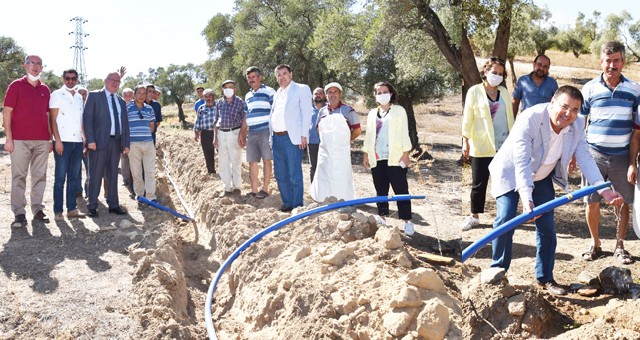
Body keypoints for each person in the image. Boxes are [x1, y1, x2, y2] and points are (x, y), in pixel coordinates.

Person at [489, 85, 623, 295]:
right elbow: (522, 161)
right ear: (552, 103)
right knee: (505, 219)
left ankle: (545, 278)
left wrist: (604, 190)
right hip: (511, 172)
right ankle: (497, 273)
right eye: (565, 107)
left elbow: (585, 158)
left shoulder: (578, 124)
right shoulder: (531, 118)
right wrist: (527, 199)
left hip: (542, 176)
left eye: (575, 110)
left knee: (547, 227)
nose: (569, 114)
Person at [580, 41, 640, 264]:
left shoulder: (635, 89)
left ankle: (620, 246)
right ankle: (595, 244)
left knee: (623, 201)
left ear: (623, 62)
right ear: (601, 62)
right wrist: (574, 155)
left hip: (622, 156)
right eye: (608, 60)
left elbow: (637, 132)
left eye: (616, 60)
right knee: (592, 200)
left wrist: (632, 162)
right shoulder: (589, 88)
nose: (612, 65)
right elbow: (579, 124)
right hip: (593, 155)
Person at [461, 57, 514, 231]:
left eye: (500, 74)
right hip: (482, 145)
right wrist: (465, 141)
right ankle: (474, 217)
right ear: (485, 72)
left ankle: (503, 216)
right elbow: (468, 118)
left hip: (503, 145)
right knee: (478, 183)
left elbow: (510, 119)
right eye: (494, 72)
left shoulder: (504, 92)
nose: (497, 76)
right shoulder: (474, 92)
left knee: (503, 182)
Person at [3, 55, 52, 226]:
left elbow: (48, 116)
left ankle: (37, 209)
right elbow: (7, 112)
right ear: (25, 65)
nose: (36, 66)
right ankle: (19, 212)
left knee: (40, 176)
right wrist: (9, 138)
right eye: (32, 63)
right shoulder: (16, 86)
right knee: (19, 176)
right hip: (19, 140)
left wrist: (50, 138)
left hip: (42, 140)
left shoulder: (45, 89)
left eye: (39, 63)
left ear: (42, 67)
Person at [362, 81, 414, 235]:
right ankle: (382, 217)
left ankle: (407, 221)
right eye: (379, 92)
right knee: (381, 189)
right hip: (377, 157)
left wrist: (406, 154)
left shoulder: (399, 110)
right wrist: (366, 153)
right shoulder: (372, 113)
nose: (382, 94)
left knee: (401, 190)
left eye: (385, 91)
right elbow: (369, 135)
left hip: (395, 157)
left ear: (391, 93)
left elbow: (405, 132)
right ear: (375, 95)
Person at [83, 72, 130, 217]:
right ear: (105, 81)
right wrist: (90, 140)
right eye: (112, 80)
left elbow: (125, 124)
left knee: (113, 175)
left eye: (118, 81)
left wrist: (126, 143)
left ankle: (113, 205)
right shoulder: (94, 96)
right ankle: (92, 206)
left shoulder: (121, 101)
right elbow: (87, 118)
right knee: (95, 174)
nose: (115, 83)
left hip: (115, 142)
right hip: (97, 143)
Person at [269, 64, 313, 212]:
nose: (282, 77)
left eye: (284, 73)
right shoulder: (277, 93)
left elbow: (307, 113)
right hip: (276, 138)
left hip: (292, 138)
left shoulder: (301, 89)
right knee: (280, 174)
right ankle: (287, 203)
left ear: (291, 74)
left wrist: (304, 135)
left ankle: (297, 205)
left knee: (294, 174)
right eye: (279, 75)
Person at [310, 82, 361, 201]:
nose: (332, 95)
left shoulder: (348, 110)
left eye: (335, 92)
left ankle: (342, 200)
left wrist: (344, 141)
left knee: (340, 175)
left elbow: (357, 130)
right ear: (326, 95)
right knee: (324, 174)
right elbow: (318, 129)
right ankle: (322, 199)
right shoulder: (322, 112)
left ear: (340, 94)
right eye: (329, 92)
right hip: (325, 150)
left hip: (341, 151)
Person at [49, 68, 87, 221]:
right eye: (67, 78)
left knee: (73, 177)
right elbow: (52, 120)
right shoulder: (56, 95)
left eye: (73, 78)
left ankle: (71, 209)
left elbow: (81, 120)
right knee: (60, 178)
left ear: (77, 79)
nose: (70, 81)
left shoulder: (79, 97)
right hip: (62, 142)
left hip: (77, 142)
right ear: (63, 79)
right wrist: (57, 140)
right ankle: (58, 211)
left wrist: (84, 139)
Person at [244, 66, 276, 199]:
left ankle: (265, 189)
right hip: (251, 132)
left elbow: (275, 111)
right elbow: (246, 115)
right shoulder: (247, 95)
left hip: (265, 131)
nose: (251, 80)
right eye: (249, 78)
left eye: (253, 77)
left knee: (267, 160)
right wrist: (242, 133)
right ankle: (254, 190)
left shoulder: (269, 91)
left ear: (259, 77)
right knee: (252, 162)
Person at [214, 80, 248, 197]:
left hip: (234, 133)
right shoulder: (219, 103)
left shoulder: (240, 102)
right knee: (223, 163)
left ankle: (237, 187)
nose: (228, 89)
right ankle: (227, 188)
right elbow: (216, 120)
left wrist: (242, 135)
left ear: (235, 89)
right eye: (226, 87)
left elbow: (245, 119)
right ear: (222, 89)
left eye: (231, 87)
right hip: (221, 133)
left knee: (236, 162)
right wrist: (215, 138)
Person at [127, 85, 157, 202]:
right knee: (136, 172)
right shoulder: (127, 108)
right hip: (133, 145)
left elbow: (151, 126)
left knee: (150, 171)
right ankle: (139, 195)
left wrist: (144, 135)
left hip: (148, 144)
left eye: (144, 94)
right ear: (134, 95)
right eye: (139, 93)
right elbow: (124, 127)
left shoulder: (149, 109)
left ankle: (151, 196)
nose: (141, 96)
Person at [194, 89, 217, 174]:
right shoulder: (201, 108)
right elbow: (198, 121)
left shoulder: (219, 106)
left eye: (210, 96)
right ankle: (211, 172)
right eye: (206, 97)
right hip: (205, 133)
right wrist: (196, 133)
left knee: (222, 152)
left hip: (218, 132)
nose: (208, 98)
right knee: (208, 153)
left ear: (213, 96)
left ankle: (224, 171)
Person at [308, 87, 326, 183]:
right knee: (313, 167)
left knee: (325, 166)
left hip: (326, 142)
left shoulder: (328, 108)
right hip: (312, 142)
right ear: (312, 96)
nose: (318, 95)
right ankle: (313, 189)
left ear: (324, 95)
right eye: (316, 93)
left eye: (320, 93)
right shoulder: (307, 109)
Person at [75, 86, 89, 198]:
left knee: (90, 169)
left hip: (89, 143)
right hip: (75, 142)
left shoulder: (90, 108)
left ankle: (89, 190)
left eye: (84, 93)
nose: (83, 95)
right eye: (80, 93)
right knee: (76, 169)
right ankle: (77, 190)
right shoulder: (72, 108)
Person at [120, 87, 134, 191]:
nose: (128, 97)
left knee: (133, 160)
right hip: (122, 137)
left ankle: (133, 181)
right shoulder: (120, 106)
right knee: (124, 159)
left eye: (130, 95)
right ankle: (126, 180)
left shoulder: (135, 106)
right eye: (126, 95)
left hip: (133, 137)